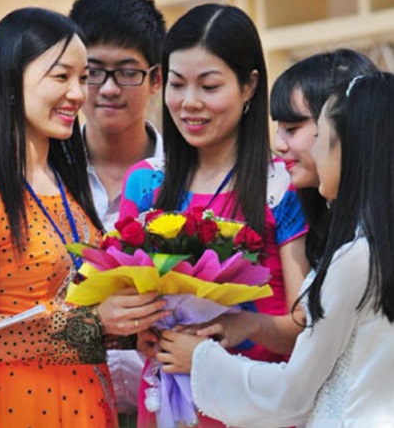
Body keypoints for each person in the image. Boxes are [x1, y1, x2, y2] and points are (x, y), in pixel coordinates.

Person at [0, 7, 166, 428]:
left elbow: (81, 301)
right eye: (61, 76)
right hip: (20, 403)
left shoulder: (66, 179)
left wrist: (131, 325)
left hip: (88, 396)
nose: (78, 93)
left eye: (80, 77)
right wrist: (93, 322)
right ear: (12, 80)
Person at [158, 72, 394, 426]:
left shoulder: (356, 257)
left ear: (353, 151)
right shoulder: (375, 248)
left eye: (321, 139)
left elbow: (292, 393)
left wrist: (202, 359)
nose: (311, 153)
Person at [117, 4, 310, 427]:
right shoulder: (145, 184)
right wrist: (140, 330)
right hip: (167, 405)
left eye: (209, 86)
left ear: (249, 86)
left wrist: (245, 325)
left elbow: (304, 323)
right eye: (177, 84)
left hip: (256, 406)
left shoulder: (282, 184)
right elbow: (121, 296)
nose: (189, 103)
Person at [68, 0, 167, 416]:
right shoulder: (45, 178)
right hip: (69, 407)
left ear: (156, 79)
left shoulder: (186, 181)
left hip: (168, 407)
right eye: (92, 72)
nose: (107, 88)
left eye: (127, 72)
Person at [270, 49, 376, 268]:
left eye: (292, 128)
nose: (279, 145)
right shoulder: (315, 209)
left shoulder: (368, 242)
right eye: (278, 129)